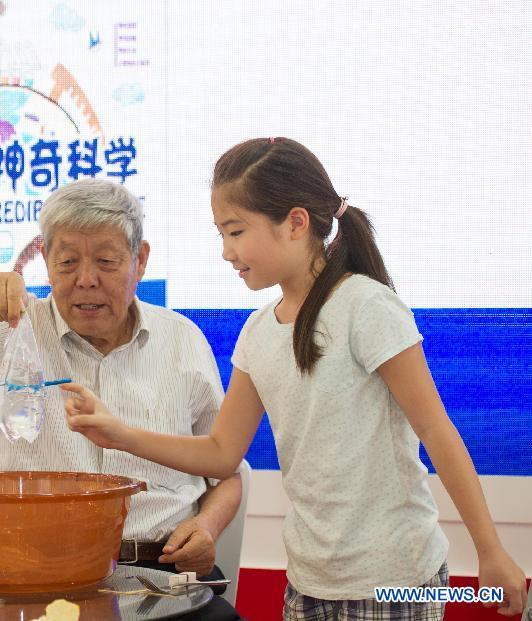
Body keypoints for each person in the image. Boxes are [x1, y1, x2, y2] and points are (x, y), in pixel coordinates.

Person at [61, 138, 528, 620]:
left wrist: (490, 550)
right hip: (308, 582)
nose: (226, 252)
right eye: (221, 234)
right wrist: (117, 434)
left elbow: (436, 430)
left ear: (296, 223)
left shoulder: (366, 306)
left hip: (395, 580)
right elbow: (221, 453)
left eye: (236, 231)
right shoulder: (259, 331)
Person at [0, 178, 242, 620]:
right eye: (68, 262)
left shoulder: (182, 341)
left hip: (161, 578)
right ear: (45, 260)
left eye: (106, 262)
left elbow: (225, 473)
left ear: (140, 259)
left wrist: (206, 527)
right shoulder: (10, 331)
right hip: (32, 579)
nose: (86, 280)